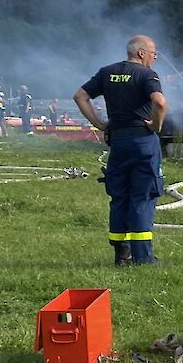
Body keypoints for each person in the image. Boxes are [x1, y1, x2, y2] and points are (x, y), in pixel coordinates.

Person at [74, 36, 168, 265]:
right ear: (142, 53)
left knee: (119, 196)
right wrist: (156, 125)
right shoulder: (147, 75)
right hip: (142, 142)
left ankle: (121, 255)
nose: (155, 59)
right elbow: (160, 103)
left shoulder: (107, 72)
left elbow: (80, 96)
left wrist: (98, 123)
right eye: (154, 54)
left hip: (118, 141)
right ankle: (143, 258)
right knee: (143, 196)